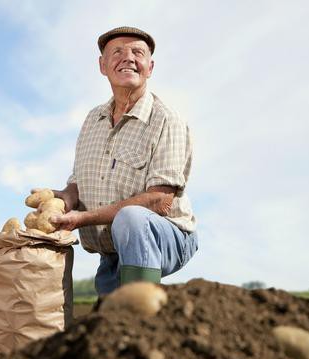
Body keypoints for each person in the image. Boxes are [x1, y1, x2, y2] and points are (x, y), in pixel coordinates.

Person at [46, 26, 198, 295]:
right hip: (112, 252)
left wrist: (84, 218)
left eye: (137, 52)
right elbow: (78, 182)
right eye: (117, 52)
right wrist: (62, 199)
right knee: (111, 327)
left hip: (167, 236)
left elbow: (159, 201)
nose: (128, 57)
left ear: (149, 67)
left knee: (132, 219)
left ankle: (142, 311)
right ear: (102, 65)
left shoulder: (166, 120)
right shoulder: (93, 120)